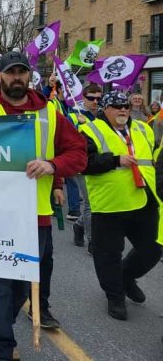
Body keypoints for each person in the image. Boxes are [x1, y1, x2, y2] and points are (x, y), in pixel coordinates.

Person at [0, 52, 86, 360]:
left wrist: (53, 166)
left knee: (21, 288)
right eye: (11, 72)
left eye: (22, 72)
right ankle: (1, 348)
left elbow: (78, 153)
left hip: (36, 218)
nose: (17, 77)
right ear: (0, 76)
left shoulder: (49, 113)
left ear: (29, 75)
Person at [80, 90, 161, 321]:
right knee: (108, 255)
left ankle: (126, 277)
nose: (123, 109)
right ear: (105, 109)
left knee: (152, 248)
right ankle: (114, 295)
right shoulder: (90, 129)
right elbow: (83, 163)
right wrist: (115, 160)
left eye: (125, 105)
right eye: (116, 106)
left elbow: (155, 158)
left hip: (144, 199)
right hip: (110, 203)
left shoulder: (143, 128)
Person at [71, 83, 102, 253]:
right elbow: (68, 138)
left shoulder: (103, 115)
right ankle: (93, 243)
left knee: (97, 203)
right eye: (91, 98)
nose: (95, 102)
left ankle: (78, 225)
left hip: (99, 163)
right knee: (90, 205)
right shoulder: (74, 114)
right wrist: (79, 124)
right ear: (83, 98)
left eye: (98, 98)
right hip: (81, 164)